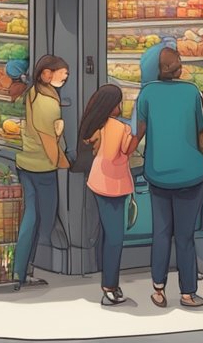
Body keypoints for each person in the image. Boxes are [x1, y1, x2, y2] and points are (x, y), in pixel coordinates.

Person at [133, 45, 203, 307]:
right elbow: (201, 124)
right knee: (185, 236)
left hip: (158, 173)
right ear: (168, 68)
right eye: (177, 60)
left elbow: (139, 129)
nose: (180, 63)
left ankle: (158, 289)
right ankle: (188, 293)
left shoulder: (147, 93)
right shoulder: (191, 91)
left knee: (161, 233)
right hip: (191, 174)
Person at [14, 55, 72, 291]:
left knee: (31, 216)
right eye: (62, 72)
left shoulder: (33, 93)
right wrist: (63, 161)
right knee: (40, 219)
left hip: (25, 162)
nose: (66, 76)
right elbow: (49, 139)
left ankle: (22, 270)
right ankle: (21, 271)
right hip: (42, 166)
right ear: (46, 74)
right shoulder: (48, 103)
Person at [80, 83, 136, 306]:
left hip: (96, 181)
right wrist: (138, 132)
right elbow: (124, 151)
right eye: (119, 102)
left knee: (105, 234)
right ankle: (110, 287)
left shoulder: (95, 125)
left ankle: (109, 281)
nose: (121, 106)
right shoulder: (119, 127)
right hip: (113, 184)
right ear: (112, 105)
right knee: (115, 238)